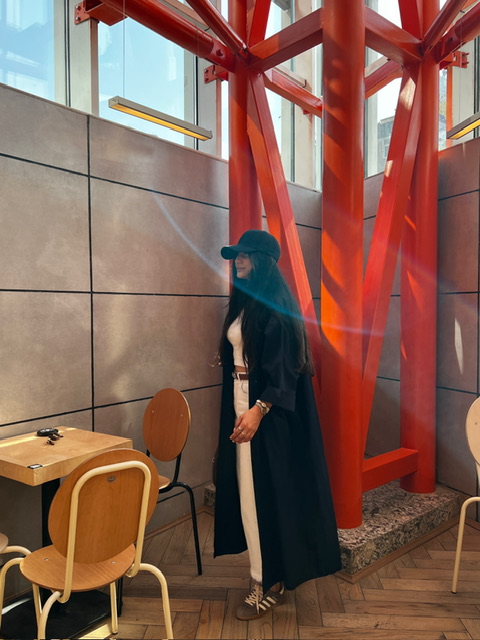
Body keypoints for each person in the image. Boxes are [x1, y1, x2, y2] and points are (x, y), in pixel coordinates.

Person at [213, 229, 342, 621]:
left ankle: (266, 581)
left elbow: (285, 370)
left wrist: (258, 410)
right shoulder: (246, 303)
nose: (238, 261)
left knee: (261, 495)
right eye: (236, 256)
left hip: (266, 414)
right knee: (248, 492)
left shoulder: (277, 308)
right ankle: (267, 572)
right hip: (241, 402)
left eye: (245, 255)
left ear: (263, 261)